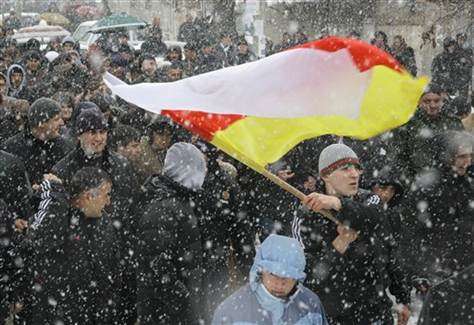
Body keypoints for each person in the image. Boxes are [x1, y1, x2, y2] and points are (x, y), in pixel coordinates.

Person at [292, 143, 411, 324]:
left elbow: (388, 247)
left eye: (357, 168)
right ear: (325, 175)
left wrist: (402, 297)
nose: (355, 174)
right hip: (334, 314)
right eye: (345, 168)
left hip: (375, 309)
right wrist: (341, 243)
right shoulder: (306, 214)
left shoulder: (370, 199)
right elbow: (309, 274)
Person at [25, 168, 121, 324]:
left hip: (93, 315)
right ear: (90, 196)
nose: (109, 201)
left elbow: (112, 272)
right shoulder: (58, 217)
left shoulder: (105, 223)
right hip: (55, 314)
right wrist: (57, 201)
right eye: (106, 194)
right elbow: (36, 242)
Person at [135, 142, 206, 324]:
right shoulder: (164, 207)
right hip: (164, 310)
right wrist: (182, 298)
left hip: (175, 304)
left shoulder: (177, 199)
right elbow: (156, 263)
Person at [400, 131, 473, 289]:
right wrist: (418, 272)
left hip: (466, 266)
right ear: (447, 156)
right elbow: (412, 232)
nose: (467, 162)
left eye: (470, 156)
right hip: (437, 269)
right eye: (461, 156)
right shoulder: (427, 187)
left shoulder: (468, 183)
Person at [212, 234, 328, 324]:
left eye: (288, 276)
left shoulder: (311, 304)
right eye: (273, 274)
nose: (280, 283)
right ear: (260, 270)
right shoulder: (230, 311)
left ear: (297, 278)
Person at [391, 85, 464, 183]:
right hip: (417, 182)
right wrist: (410, 181)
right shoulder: (407, 125)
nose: (432, 105)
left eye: (436, 101)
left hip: (449, 181)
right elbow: (398, 157)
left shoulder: (453, 123)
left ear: (442, 102)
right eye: (427, 101)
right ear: (419, 103)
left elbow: (464, 151)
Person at [1, 97, 70, 185]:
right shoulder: (11, 148)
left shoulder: (65, 147)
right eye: (56, 119)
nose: (62, 123)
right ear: (41, 124)